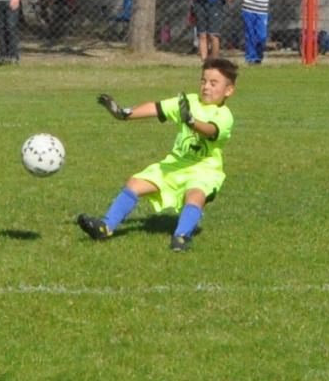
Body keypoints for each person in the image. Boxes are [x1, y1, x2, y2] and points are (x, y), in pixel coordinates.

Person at [76, 58, 237, 252]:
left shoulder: (224, 115)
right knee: (134, 183)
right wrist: (123, 113)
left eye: (213, 83)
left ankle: (181, 237)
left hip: (204, 170)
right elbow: (156, 107)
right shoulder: (189, 101)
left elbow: (211, 130)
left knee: (195, 197)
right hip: (175, 165)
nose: (206, 87)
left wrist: (192, 122)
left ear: (229, 90)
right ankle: (105, 226)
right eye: (203, 81)